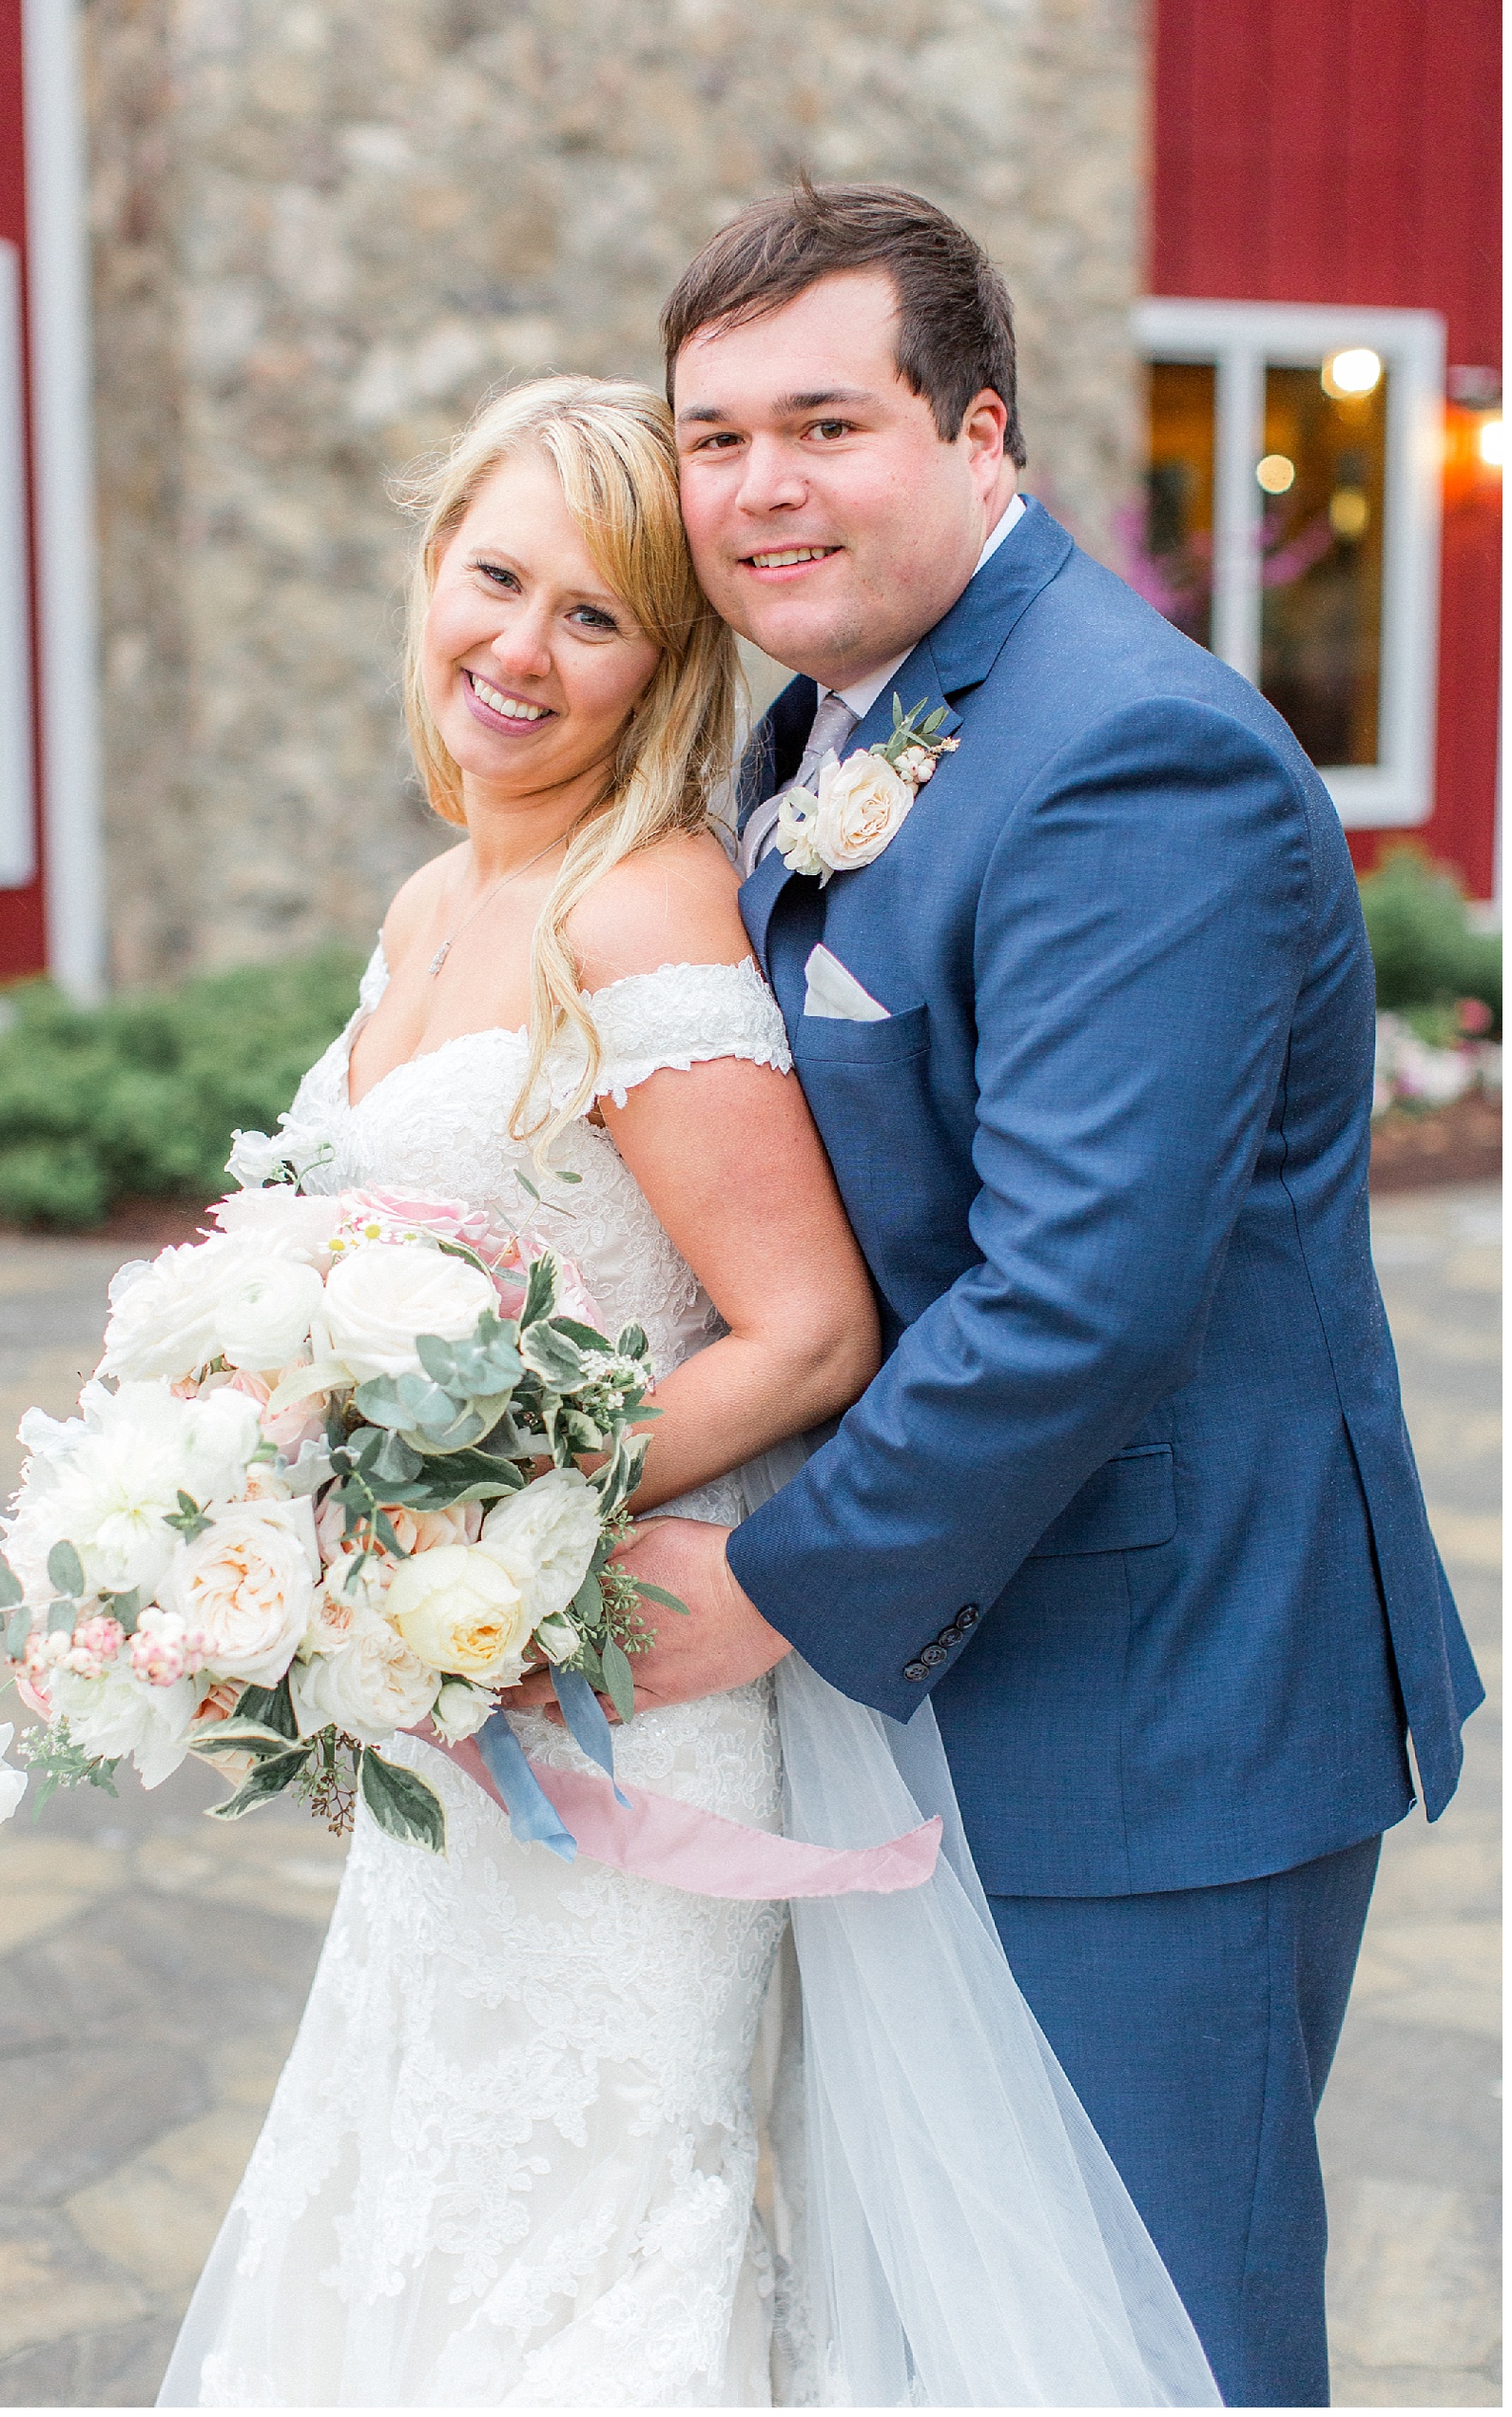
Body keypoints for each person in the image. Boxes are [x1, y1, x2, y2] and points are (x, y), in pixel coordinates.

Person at [158, 376, 1219, 2407]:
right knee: (418, 2197)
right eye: (496, 579)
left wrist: (486, 1537)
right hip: (471, 1690)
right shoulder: (429, 899)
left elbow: (808, 1330)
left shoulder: (634, 905)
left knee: (591, 2253)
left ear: (663, 663)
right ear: (430, 563)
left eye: (596, 616)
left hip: (621, 1682)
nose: (521, 650)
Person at [624, 181, 1483, 2408]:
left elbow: (1081, 1291)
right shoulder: (825, 728)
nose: (760, 487)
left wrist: (775, 1583)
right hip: (964, 1665)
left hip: (1149, 1700)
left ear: (982, 434)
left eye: (827, 420)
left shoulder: (1132, 756)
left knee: (1146, 2342)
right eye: (715, 438)